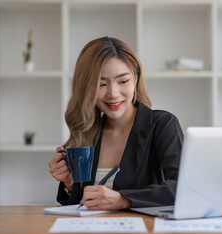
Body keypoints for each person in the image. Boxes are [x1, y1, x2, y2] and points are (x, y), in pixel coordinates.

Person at [48, 36, 183, 211]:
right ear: (87, 88)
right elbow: (84, 205)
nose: (113, 94)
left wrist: (123, 199)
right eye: (101, 84)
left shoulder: (162, 125)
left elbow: (181, 188)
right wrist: (69, 183)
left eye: (123, 81)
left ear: (135, 78)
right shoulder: (89, 131)